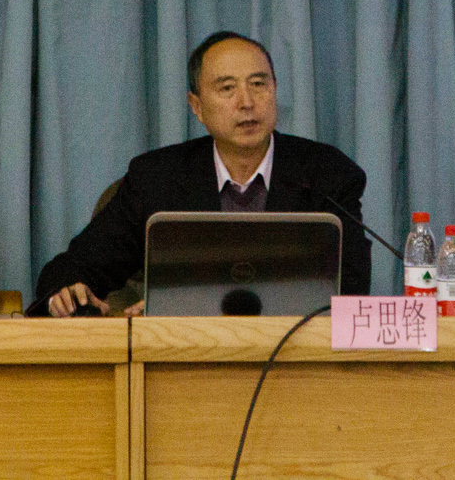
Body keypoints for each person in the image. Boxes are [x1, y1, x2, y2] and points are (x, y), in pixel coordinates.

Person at [29, 30, 370, 315]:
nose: (246, 102)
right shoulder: (158, 178)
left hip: (294, 361)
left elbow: (351, 290)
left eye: (258, 84)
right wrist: (67, 295)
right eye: (227, 88)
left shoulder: (326, 174)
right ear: (197, 107)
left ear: (275, 91)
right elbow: (73, 269)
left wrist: (184, 310)